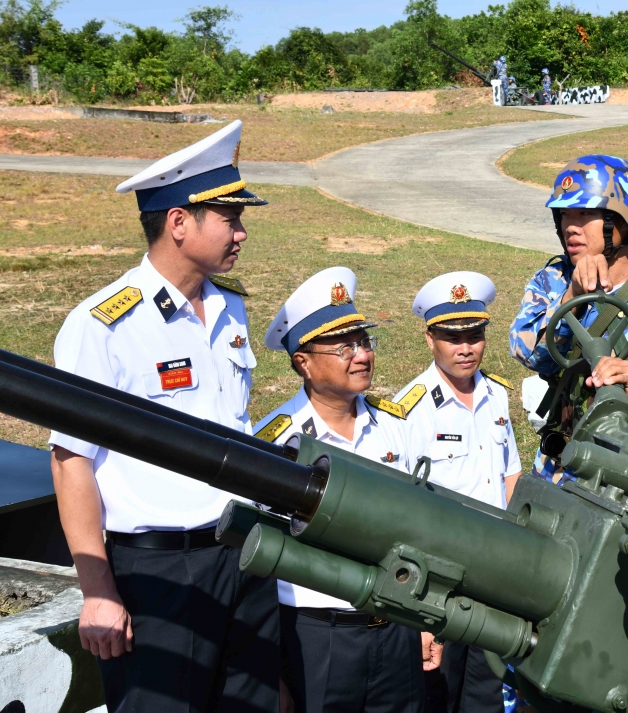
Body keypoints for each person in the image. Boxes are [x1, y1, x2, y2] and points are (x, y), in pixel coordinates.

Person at [48, 121, 280, 712]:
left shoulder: (229, 309)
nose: (243, 233)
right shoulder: (105, 323)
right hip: (161, 574)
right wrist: (97, 590)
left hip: (243, 553)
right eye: (230, 217)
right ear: (179, 222)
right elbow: (72, 460)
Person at [256, 267, 425, 713]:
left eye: (365, 341)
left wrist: (426, 623)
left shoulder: (395, 427)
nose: (362, 355)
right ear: (303, 361)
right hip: (315, 637)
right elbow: (256, 560)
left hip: (396, 629)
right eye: (344, 346)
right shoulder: (276, 441)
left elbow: (421, 529)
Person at [509, 155, 628, 485]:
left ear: (622, 221)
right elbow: (528, 354)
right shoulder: (553, 279)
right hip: (561, 461)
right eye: (565, 213)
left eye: (585, 213)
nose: (571, 225)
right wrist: (572, 296)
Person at [392, 270, 521, 713]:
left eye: (475, 334)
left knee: (487, 693)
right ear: (430, 339)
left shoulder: (497, 396)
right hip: (440, 580)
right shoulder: (409, 410)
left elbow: (510, 477)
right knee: (438, 695)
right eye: (452, 336)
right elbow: (403, 507)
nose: (466, 347)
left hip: (496, 576)